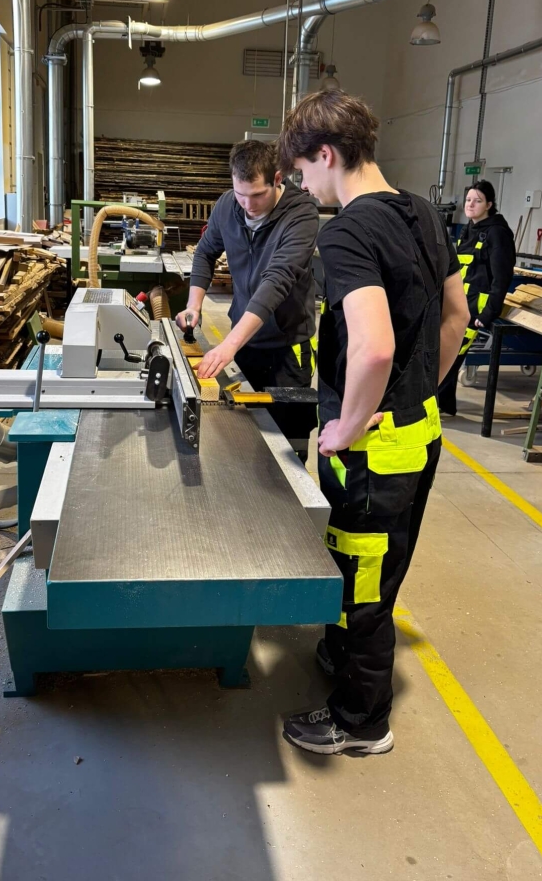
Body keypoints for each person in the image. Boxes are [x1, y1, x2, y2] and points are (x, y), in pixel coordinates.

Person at [276, 89, 469, 755]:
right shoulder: (422, 212)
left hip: (374, 451)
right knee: (380, 568)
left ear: (326, 154)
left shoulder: (349, 231)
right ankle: (342, 653)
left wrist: (348, 426)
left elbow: (375, 347)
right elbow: (456, 316)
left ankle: (362, 721)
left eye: (302, 171)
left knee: (362, 581)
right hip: (419, 432)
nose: (304, 187)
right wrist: (418, 392)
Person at [177, 140, 319, 460]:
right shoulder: (228, 205)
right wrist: (193, 305)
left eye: (257, 195)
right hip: (246, 343)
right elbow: (205, 253)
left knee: (288, 442)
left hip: (288, 347)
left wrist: (228, 345)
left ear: (277, 179)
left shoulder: (301, 214)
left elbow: (277, 280)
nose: (247, 204)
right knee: (242, 428)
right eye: (240, 194)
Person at [438, 180, 516, 415]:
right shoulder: (468, 229)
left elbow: (501, 277)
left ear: (489, 205)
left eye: (478, 201)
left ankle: (438, 405)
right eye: (468, 200)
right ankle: (444, 405)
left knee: (452, 355)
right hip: (458, 303)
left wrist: (489, 312)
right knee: (446, 352)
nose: (470, 205)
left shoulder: (497, 233)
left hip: (476, 308)